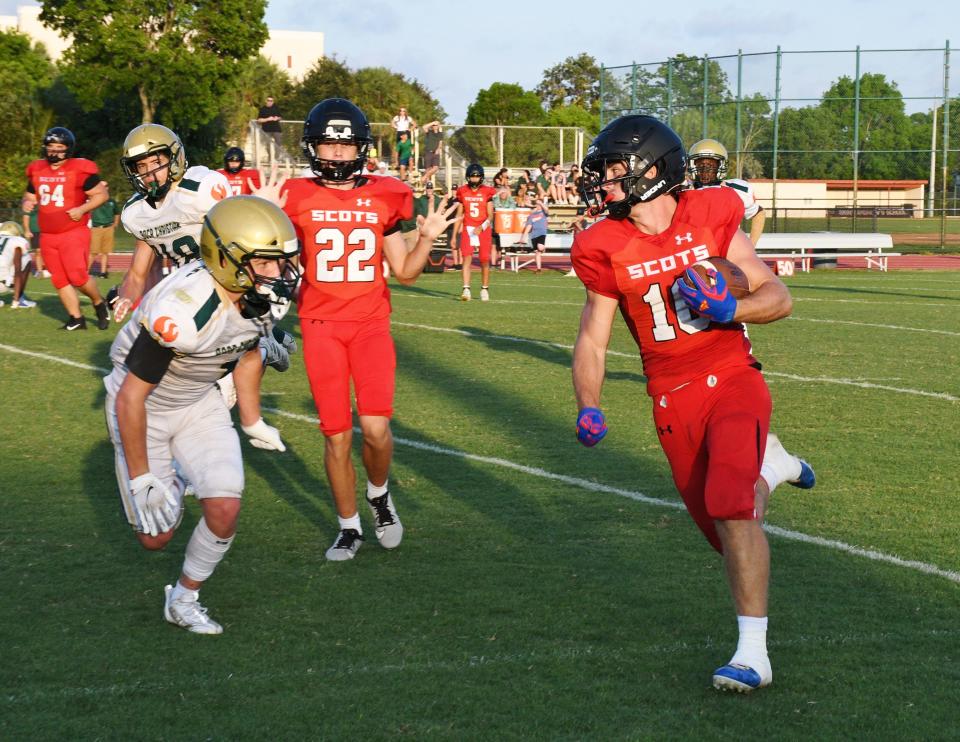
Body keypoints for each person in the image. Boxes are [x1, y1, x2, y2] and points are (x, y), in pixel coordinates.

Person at [570, 114, 810, 694]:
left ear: (653, 169)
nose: (604, 182)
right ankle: (772, 467)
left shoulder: (711, 214)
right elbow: (593, 339)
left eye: (615, 169)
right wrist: (588, 402)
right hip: (671, 396)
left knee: (731, 505)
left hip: (731, 375)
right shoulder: (602, 244)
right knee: (724, 529)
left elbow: (777, 295)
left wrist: (733, 311)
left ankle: (753, 654)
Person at [262, 97, 455, 561]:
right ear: (313, 148)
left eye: (345, 148)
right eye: (328, 146)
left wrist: (426, 238)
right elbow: (271, 267)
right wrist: (266, 218)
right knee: (335, 435)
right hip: (320, 325)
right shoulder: (294, 196)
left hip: (369, 325)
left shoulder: (386, 194)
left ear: (361, 149)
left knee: (375, 429)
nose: (337, 156)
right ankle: (348, 526)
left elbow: (405, 272)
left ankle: (379, 494)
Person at [103, 195, 300, 634]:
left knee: (225, 507)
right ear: (229, 259)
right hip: (145, 406)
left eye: (280, 262)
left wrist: (250, 420)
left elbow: (246, 350)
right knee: (155, 538)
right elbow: (131, 398)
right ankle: (168, 470)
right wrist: (142, 477)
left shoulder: (257, 294)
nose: (278, 273)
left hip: (198, 400)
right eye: (265, 263)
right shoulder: (183, 310)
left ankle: (184, 598)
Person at [22, 126, 110, 330]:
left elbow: (102, 195)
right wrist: (26, 203)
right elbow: (30, 195)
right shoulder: (37, 169)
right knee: (59, 279)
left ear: (68, 149)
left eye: (59, 147)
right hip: (48, 234)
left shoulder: (80, 170)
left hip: (73, 231)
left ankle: (98, 302)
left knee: (77, 276)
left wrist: (82, 209)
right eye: (50, 146)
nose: (54, 151)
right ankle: (76, 318)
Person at [688, 139, 766, 245]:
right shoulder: (684, 191)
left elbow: (759, 213)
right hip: (694, 252)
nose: (705, 169)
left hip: (728, 253)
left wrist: (751, 245)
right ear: (693, 165)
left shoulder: (737, 190)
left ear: (721, 166)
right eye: (701, 165)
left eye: (711, 165)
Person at [452, 163, 496, 301]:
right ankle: (466, 289)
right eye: (472, 176)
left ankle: (484, 288)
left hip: (483, 228)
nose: (475, 179)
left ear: (481, 177)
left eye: (477, 176)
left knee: (484, 259)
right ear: (468, 177)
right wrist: (454, 235)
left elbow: (490, 215)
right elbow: (459, 215)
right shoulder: (462, 191)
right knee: (466, 257)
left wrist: (482, 227)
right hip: (468, 228)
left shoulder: (487, 191)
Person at [0, 221, 36, 308]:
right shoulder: (17, 241)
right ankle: (20, 299)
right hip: (3, 284)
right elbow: (18, 270)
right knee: (27, 259)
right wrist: (16, 300)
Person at [88, 184, 120, 278]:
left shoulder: (112, 201)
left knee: (105, 252)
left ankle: (103, 273)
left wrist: (115, 224)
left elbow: (117, 213)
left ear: (107, 188)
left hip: (108, 228)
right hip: (97, 228)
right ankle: (86, 271)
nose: (104, 187)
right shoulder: (94, 199)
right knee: (93, 252)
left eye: (105, 186)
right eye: (101, 186)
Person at [517, 196, 549, 272]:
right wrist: (523, 237)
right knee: (537, 252)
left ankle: (543, 248)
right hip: (534, 235)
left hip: (541, 233)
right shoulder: (532, 215)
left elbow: (547, 210)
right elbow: (528, 226)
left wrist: (541, 202)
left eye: (539, 204)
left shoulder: (544, 213)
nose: (538, 206)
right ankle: (538, 269)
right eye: (537, 204)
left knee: (540, 248)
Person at [257, 96, 285, 164]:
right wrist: (267, 119)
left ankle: (277, 159)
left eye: (271, 101)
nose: (270, 102)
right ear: (266, 101)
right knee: (268, 145)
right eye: (268, 100)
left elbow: (280, 117)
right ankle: (270, 159)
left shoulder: (276, 108)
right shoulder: (262, 109)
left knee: (278, 144)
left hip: (276, 129)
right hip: (266, 130)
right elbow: (259, 120)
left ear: (273, 101)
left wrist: (277, 118)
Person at [421, 121, 443, 185]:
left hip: (436, 153)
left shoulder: (440, 134)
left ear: (438, 126)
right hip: (428, 152)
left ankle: (424, 177)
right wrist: (432, 123)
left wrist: (438, 149)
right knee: (428, 169)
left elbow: (440, 143)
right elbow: (424, 127)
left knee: (435, 168)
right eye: (434, 125)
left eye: (436, 125)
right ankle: (427, 183)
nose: (435, 126)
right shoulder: (429, 132)